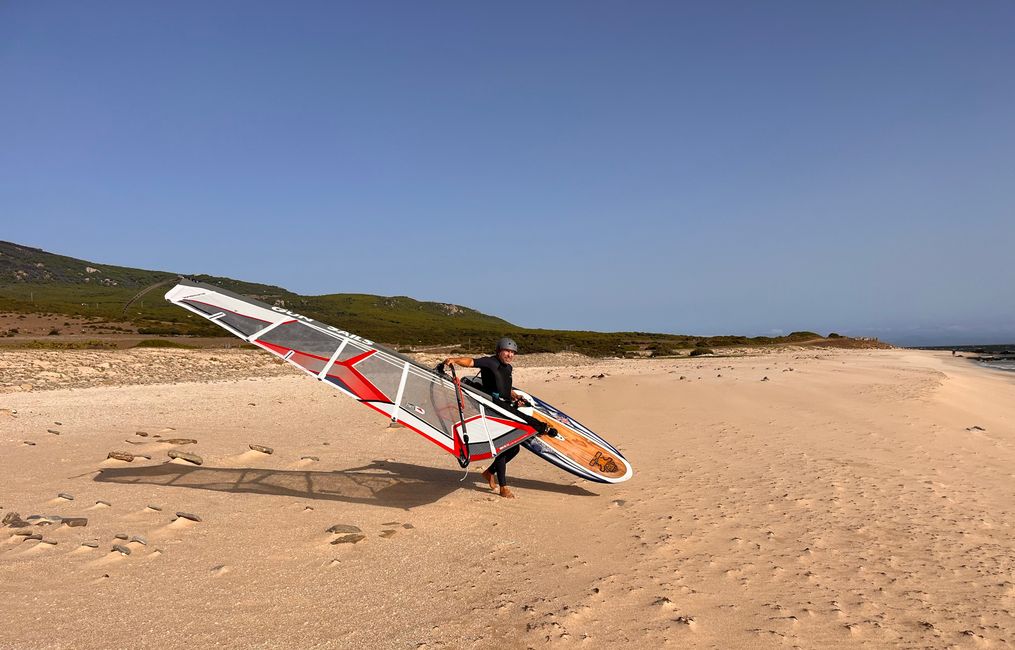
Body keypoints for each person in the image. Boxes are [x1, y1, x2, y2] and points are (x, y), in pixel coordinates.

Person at [442, 337, 552, 499]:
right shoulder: (490, 362)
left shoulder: (508, 368)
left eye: (512, 352)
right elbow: (471, 361)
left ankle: (489, 472)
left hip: (505, 406)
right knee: (505, 445)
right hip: (492, 409)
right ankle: (503, 487)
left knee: (514, 448)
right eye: (506, 351)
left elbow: (503, 387)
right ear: (499, 351)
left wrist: (513, 395)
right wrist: (455, 360)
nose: (509, 355)